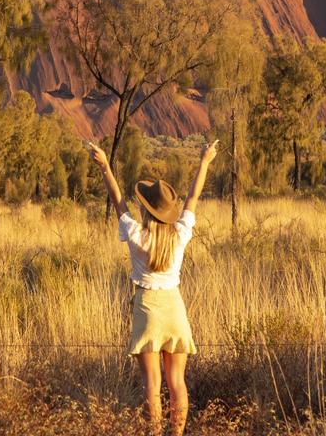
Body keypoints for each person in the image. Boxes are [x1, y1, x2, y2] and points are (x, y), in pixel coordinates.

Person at [87, 138, 218, 436]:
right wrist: (204, 162)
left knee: (153, 385)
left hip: (146, 308)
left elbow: (118, 201)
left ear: (146, 210)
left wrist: (105, 166)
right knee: (177, 382)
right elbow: (193, 198)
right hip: (174, 308)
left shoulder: (135, 234)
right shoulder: (180, 234)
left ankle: (155, 433)